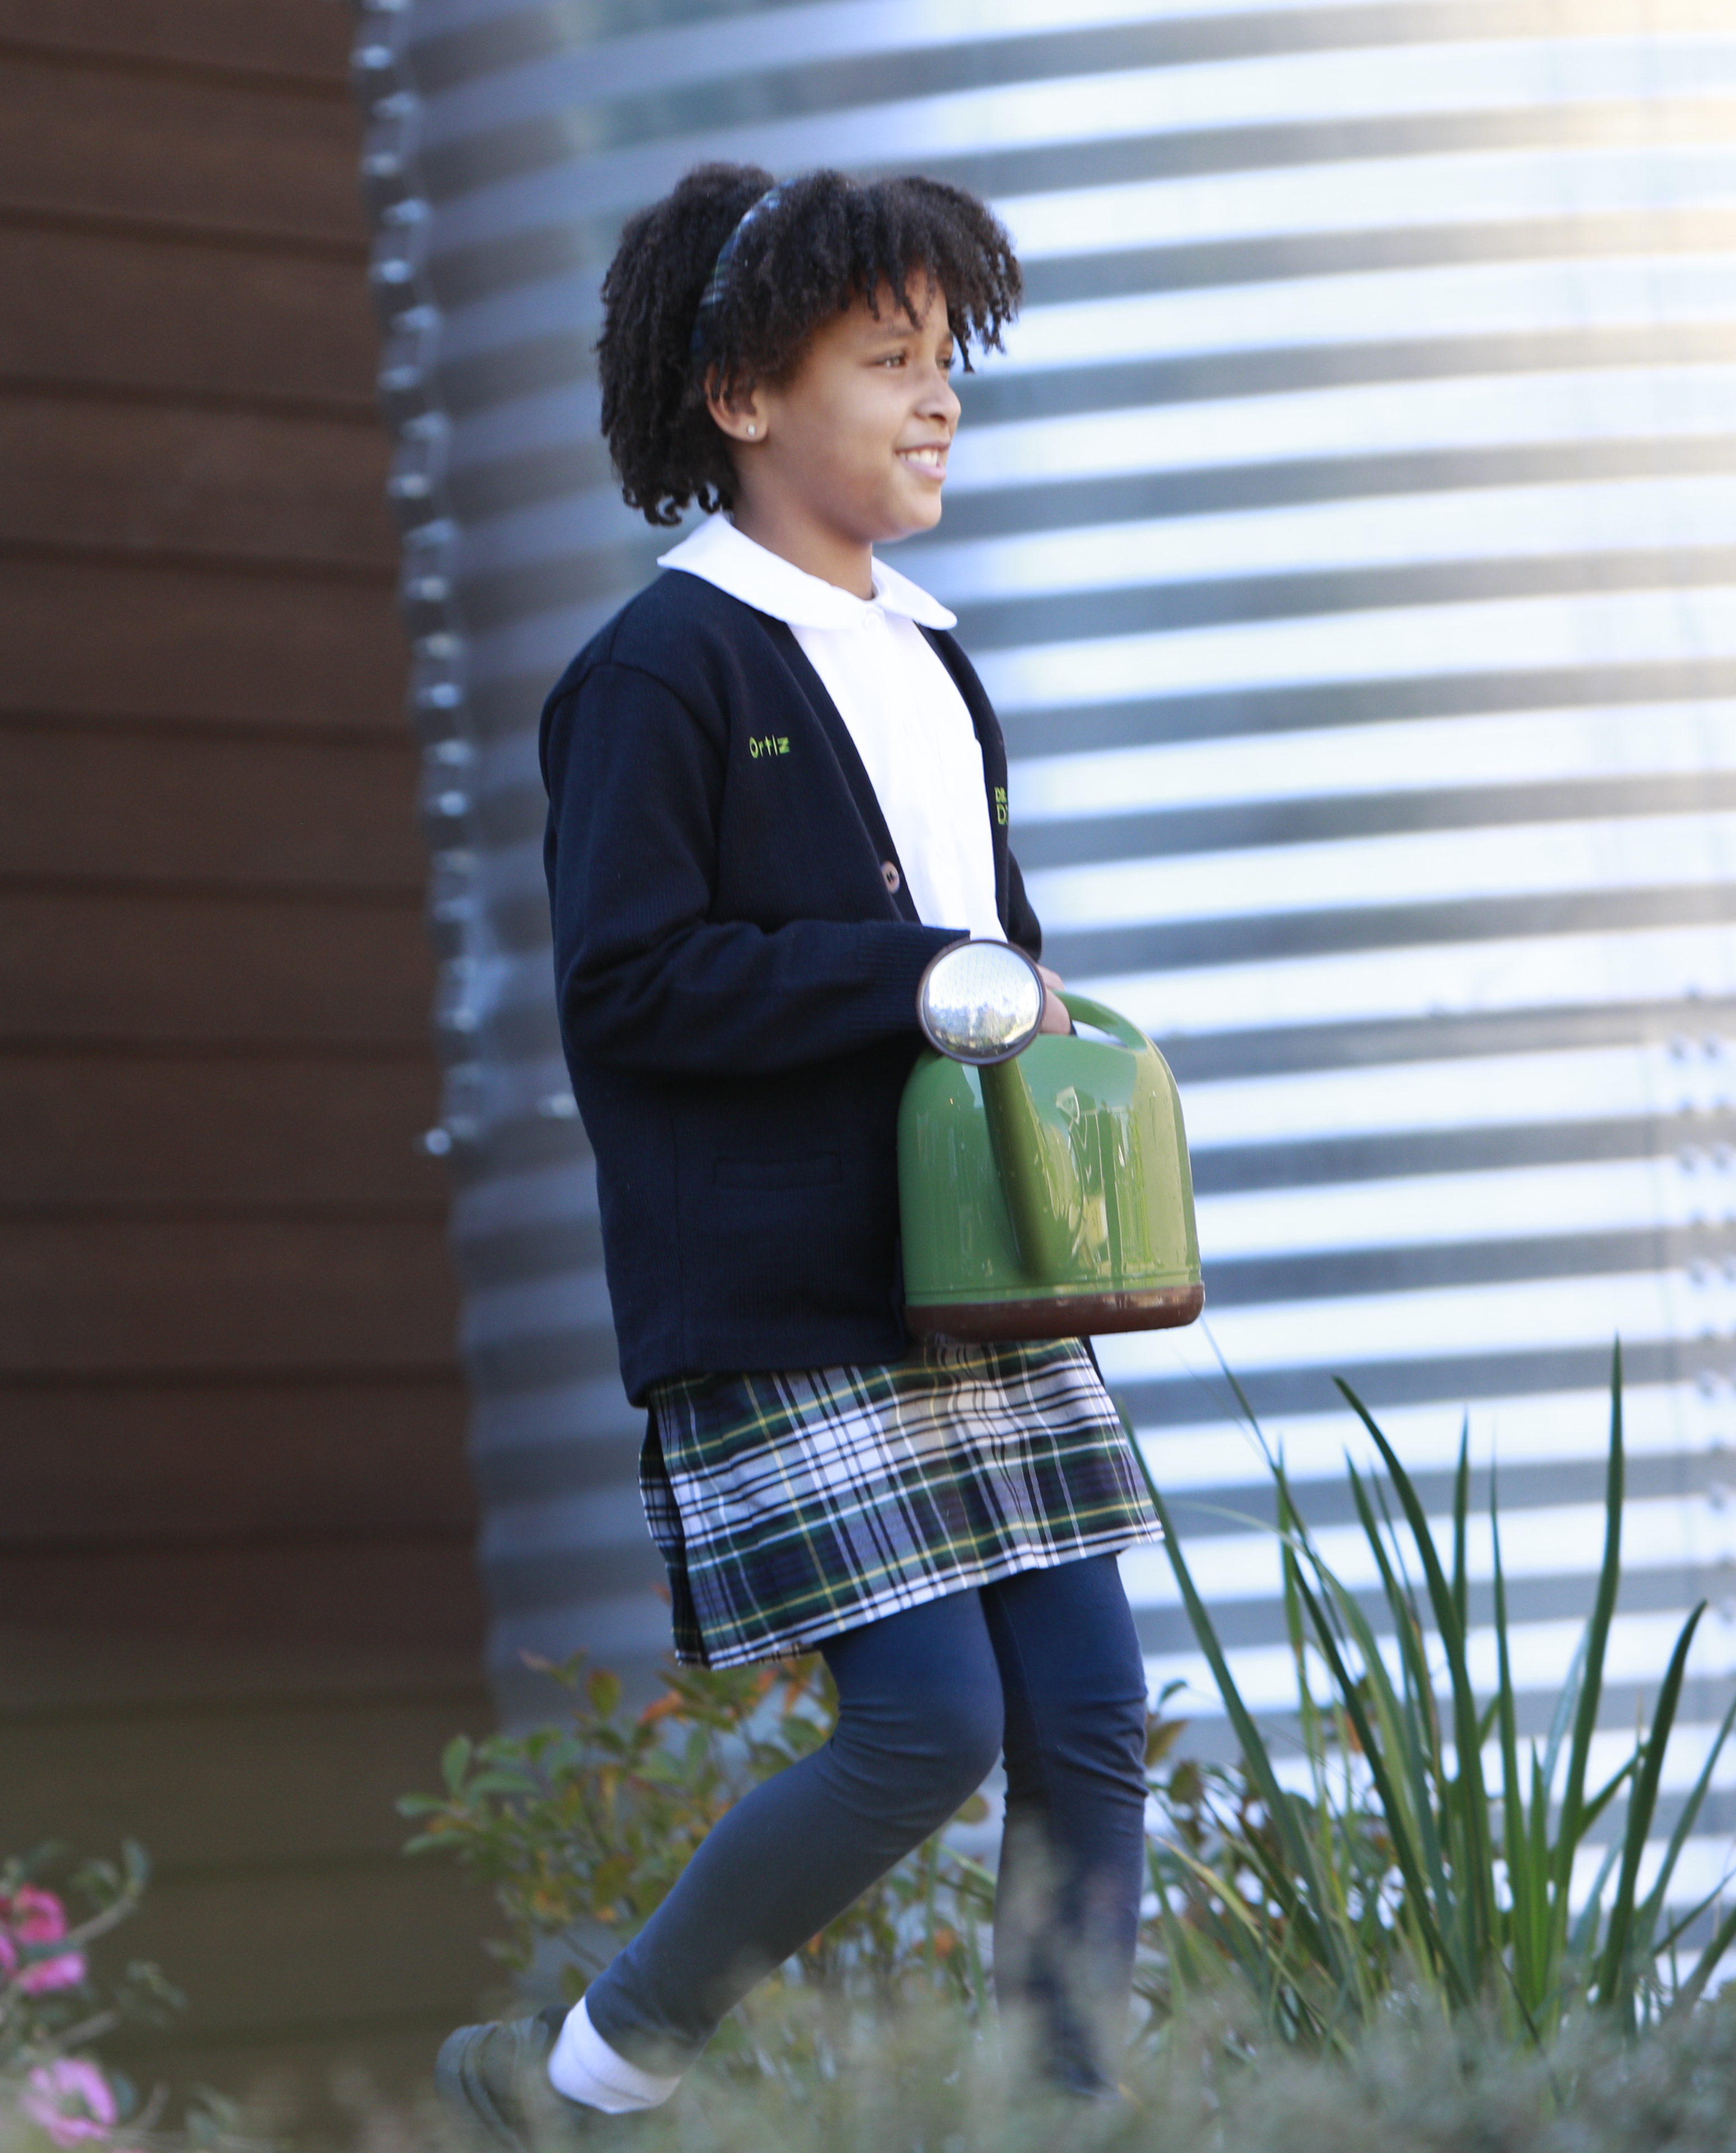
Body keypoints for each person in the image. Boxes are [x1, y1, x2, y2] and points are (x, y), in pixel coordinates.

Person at [436, 164, 1162, 2139]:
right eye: (889, 361)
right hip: (791, 1295)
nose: (940, 402)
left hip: (980, 1267)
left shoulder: (930, 657)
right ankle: (577, 2082)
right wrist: (917, 975)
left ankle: (1068, 2116)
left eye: (952, 364)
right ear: (744, 398)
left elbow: (987, 953)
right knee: (923, 1732)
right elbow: (634, 990)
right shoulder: (660, 671)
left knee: (1090, 1719)